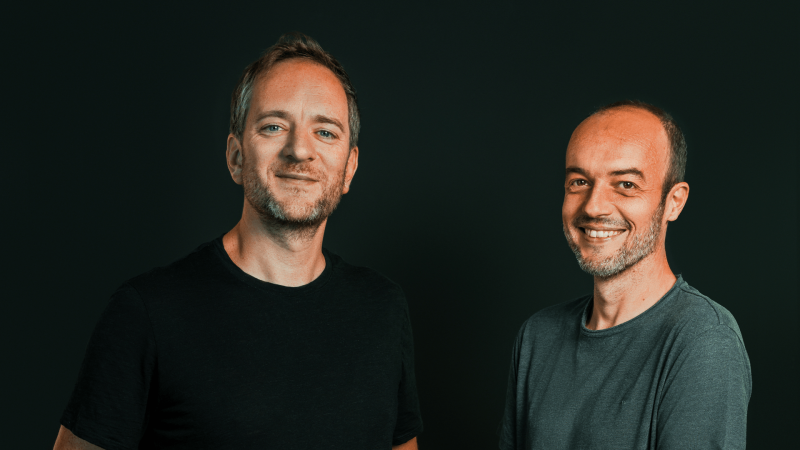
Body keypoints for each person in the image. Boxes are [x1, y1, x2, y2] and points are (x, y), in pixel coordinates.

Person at [54, 32, 422, 450]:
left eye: (325, 132)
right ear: (236, 157)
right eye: (273, 126)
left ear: (349, 168)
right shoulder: (147, 312)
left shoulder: (382, 309)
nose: (299, 150)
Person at [499, 100, 751, 449]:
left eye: (626, 185)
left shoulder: (704, 340)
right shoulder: (537, 336)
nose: (593, 206)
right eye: (579, 182)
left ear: (674, 202)